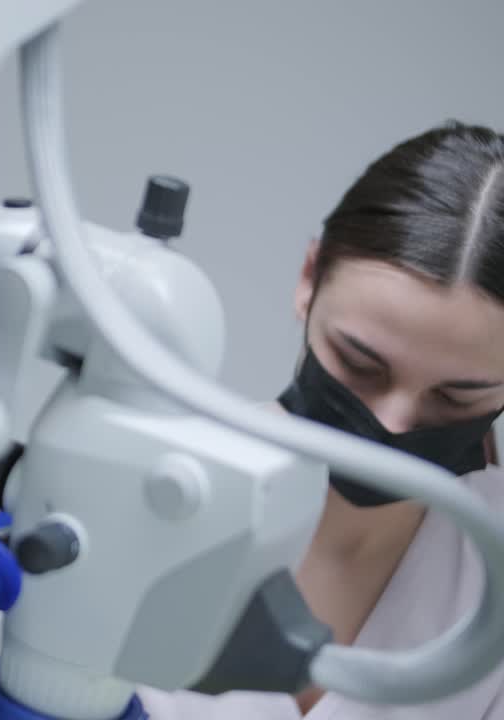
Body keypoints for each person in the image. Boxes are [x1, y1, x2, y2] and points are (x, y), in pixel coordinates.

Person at [139, 121, 504, 718]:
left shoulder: (491, 568)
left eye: (455, 399)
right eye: (362, 364)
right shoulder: (148, 490)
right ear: (309, 277)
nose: (391, 424)